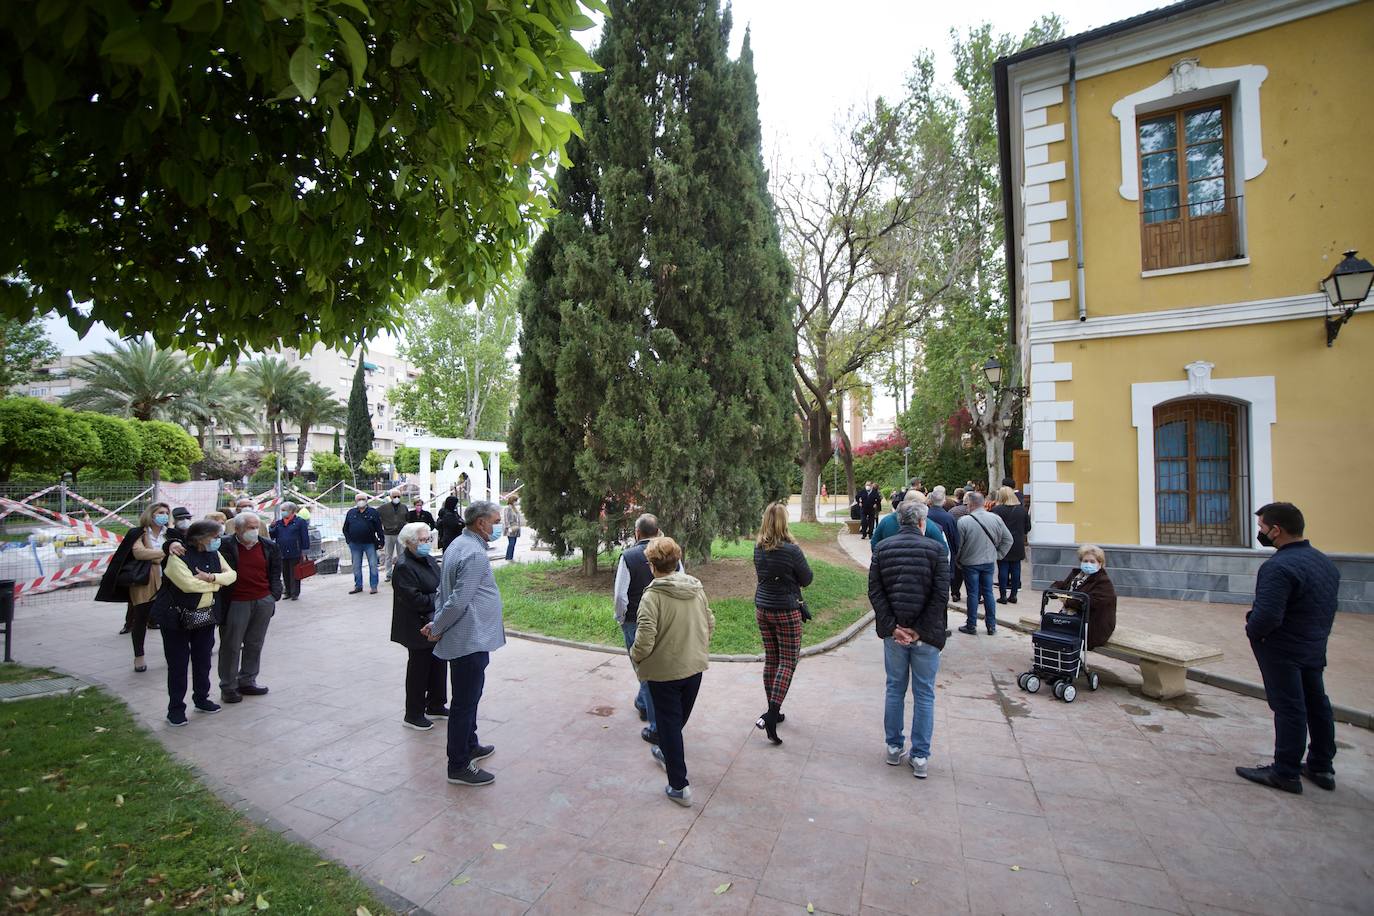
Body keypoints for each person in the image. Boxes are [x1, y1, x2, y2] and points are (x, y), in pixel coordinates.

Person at [1236, 503, 1340, 795]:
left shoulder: (1279, 566)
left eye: (1261, 528)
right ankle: (1321, 765)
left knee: (1290, 707)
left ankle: (1285, 771)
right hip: (1313, 644)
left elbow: (1267, 616)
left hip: (1283, 648)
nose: (1260, 533)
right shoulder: (1323, 562)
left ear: (1276, 530)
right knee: (1317, 703)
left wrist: (1252, 631)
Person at [424, 501, 505, 787]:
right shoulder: (473, 554)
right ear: (481, 523)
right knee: (464, 702)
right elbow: (458, 599)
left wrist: (437, 621)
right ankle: (458, 765)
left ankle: (470, 744)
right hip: (469, 638)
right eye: (494, 522)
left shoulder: (458, 544)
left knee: (468, 698)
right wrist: (438, 626)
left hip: (469, 637)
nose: (497, 527)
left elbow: (443, 591)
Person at [630, 536, 714, 807]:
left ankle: (679, 786)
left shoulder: (652, 596)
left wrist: (636, 657)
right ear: (677, 561)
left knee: (669, 724)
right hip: (694, 668)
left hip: (664, 674)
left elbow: (643, 641)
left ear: (652, 565)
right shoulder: (696, 588)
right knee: (674, 723)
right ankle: (667, 750)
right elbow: (709, 622)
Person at [869, 500, 949, 777]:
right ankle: (920, 755)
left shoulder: (882, 548)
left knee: (895, 688)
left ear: (900, 520)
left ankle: (893, 747)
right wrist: (920, 630)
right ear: (922, 523)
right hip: (924, 634)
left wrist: (894, 627)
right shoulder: (937, 550)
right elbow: (941, 596)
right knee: (924, 693)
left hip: (897, 633)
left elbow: (875, 593)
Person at [151, 520, 237, 726]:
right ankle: (176, 708)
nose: (218, 540)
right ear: (200, 538)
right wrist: (216, 583)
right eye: (215, 537)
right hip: (176, 618)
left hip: (205, 616)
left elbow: (232, 575)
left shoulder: (215, 554)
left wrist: (211, 577)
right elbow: (188, 585)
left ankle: (202, 698)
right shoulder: (179, 555)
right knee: (178, 664)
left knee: (203, 660)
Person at [752, 502, 813, 745]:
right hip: (786, 610)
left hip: (763, 608)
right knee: (788, 661)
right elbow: (806, 579)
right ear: (784, 522)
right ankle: (772, 713)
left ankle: (772, 712)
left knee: (772, 659)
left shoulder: (758, 548)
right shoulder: (792, 550)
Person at [97, 502, 174, 670]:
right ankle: (139, 656)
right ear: (151, 514)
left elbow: (180, 552)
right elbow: (139, 553)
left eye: (166, 513)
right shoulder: (138, 533)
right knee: (140, 618)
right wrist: (166, 552)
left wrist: (157, 555)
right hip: (144, 582)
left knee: (169, 620)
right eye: (160, 512)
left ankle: (172, 654)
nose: (164, 515)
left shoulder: (170, 534)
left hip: (168, 582)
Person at [215, 512, 282, 704]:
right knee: (231, 645)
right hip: (236, 602)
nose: (254, 531)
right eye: (250, 528)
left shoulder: (269, 546)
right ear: (237, 529)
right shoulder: (224, 545)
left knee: (255, 643)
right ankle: (228, 686)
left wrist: (273, 595)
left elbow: (275, 572)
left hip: (262, 600)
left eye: (256, 527)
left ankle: (248, 680)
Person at [391, 522, 448, 730]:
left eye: (428, 539)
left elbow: (441, 582)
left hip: (434, 621)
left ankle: (436, 704)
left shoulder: (427, 559)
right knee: (419, 670)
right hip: (416, 625)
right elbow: (414, 599)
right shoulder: (404, 565)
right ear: (409, 543)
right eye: (422, 540)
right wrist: (440, 597)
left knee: (438, 664)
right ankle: (413, 713)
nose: (427, 543)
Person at [613, 514, 663, 744]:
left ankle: (653, 721)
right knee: (651, 668)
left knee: (644, 670)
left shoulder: (629, 557)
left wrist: (622, 618)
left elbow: (620, 595)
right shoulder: (670, 552)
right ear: (658, 531)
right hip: (663, 619)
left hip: (634, 619)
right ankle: (643, 703)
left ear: (637, 533)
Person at [955, 491, 1012, 635]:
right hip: (988, 561)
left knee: (972, 593)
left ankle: (971, 625)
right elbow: (1008, 539)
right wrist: (998, 555)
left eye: (967, 504)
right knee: (988, 593)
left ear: (972, 504)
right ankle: (991, 626)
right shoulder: (995, 519)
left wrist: (958, 560)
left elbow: (959, 545)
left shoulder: (963, 521)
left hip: (970, 562)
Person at [1048, 544, 1118, 650]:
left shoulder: (1103, 581)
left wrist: (1067, 601)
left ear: (1100, 564)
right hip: (1072, 618)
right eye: (1085, 561)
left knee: (1058, 631)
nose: (1088, 564)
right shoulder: (1077, 575)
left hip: (1093, 624)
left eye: (1092, 561)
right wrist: (1054, 589)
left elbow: (1093, 602)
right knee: (1050, 626)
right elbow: (1063, 585)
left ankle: (1068, 660)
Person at [990, 486, 1032, 605]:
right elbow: (1027, 528)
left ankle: (1003, 595)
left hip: (1002, 542)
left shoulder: (996, 510)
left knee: (1002, 569)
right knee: (1016, 569)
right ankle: (1013, 595)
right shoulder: (1022, 510)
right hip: (1017, 543)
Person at [871, 493, 948, 554]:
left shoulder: (886, 521)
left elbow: (875, 544)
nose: (926, 506)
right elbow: (943, 550)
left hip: (890, 568)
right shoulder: (928, 524)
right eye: (923, 503)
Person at [269, 501, 311, 601]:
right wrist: (272, 527)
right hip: (282, 551)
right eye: (282, 510)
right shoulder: (279, 523)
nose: (282, 512)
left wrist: (304, 551)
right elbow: (273, 535)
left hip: (295, 551)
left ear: (291, 511)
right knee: (285, 572)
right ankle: (287, 592)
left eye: (284, 510)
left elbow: (304, 537)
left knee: (294, 573)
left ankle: (294, 593)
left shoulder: (300, 522)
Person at [343, 492, 385, 595]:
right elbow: (345, 529)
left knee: (373, 565)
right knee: (356, 566)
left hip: (370, 543)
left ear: (366, 501)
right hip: (355, 544)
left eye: (363, 499)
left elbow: (379, 528)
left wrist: (381, 541)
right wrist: (349, 541)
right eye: (359, 499)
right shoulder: (351, 513)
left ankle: (374, 586)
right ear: (355, 501)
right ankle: (358, 586)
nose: (361, 501)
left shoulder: (373, 512)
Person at [378, 489, 409, 582]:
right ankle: (388, 574)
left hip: (400, 534)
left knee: (402, 554)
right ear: (390, 497)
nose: (397, 498)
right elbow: (376, 515)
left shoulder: (404, 507)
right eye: (394, 496)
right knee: (388, 555)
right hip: (388, 534)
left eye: (398, 496)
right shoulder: (383, 508)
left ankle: (401, 573)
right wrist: (383, 526)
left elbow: (407, 518)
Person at [500, 494, 524, 562]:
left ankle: (510, 557)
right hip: (510, 528)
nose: (517, 502)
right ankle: (508, 557)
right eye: (516, 500)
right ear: (512, 501)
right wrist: (508, 527)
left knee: (513, 543)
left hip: (515, 528)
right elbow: (506, 519)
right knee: (511, 543)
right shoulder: (508, 508)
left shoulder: (515, 508)